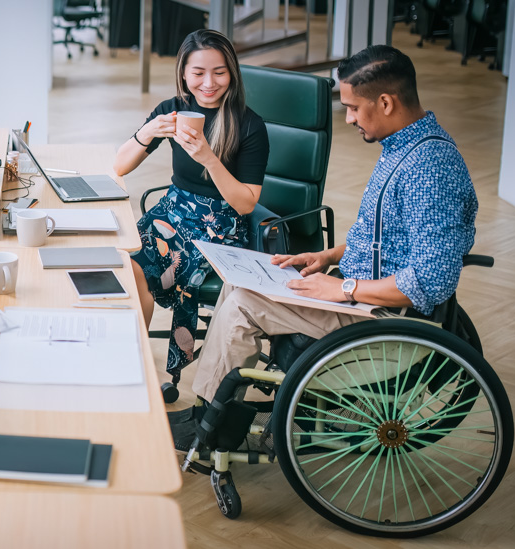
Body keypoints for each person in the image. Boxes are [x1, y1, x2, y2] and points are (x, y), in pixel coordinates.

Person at [168, 45, 478, 448]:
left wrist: (342, 288)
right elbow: (387, 238)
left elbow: (429, 282)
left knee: (244, 303)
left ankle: (212, 430)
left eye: (352, 107)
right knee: (239, 279)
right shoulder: (403, 148)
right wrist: (328, 257)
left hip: (382, 314)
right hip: (360, 291)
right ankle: (211, 413)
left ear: (385, 102)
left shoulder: (430, 170)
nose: (347, 118)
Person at [113, 29, 269, 376]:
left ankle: (154, 368)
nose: (209, 83)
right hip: (171, 212)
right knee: (126, 262)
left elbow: (246, 204)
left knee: (174, 270)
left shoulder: (249, 125)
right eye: (198, 73)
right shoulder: (174, 109)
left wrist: (209, 158)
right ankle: (130, 360)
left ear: (232, 73)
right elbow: (120, 165)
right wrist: (149, 130)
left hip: (219, 226)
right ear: (183, 72)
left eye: (219, 72)